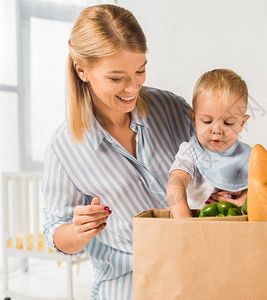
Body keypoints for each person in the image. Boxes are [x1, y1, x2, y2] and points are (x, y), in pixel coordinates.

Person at [41, 4, 197, 299]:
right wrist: (78, 231)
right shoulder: (64, 149)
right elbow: (54, 233)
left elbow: (215, 165)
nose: (133, 87)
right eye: (116, 78)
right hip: (128, 287)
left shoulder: (173, 110)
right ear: (81, 70)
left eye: (140, 71)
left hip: (198, 274)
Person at [167, 69, 251, 218]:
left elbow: (261, 190)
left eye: (228, 122)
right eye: (207, 121)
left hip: (236, 229)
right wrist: (184, 222)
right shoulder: (191, 152)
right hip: (197, 228)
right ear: (194, 119)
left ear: (242, 123)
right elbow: (176, 183)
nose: (217, 130)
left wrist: (247, 197)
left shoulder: (246, 156)